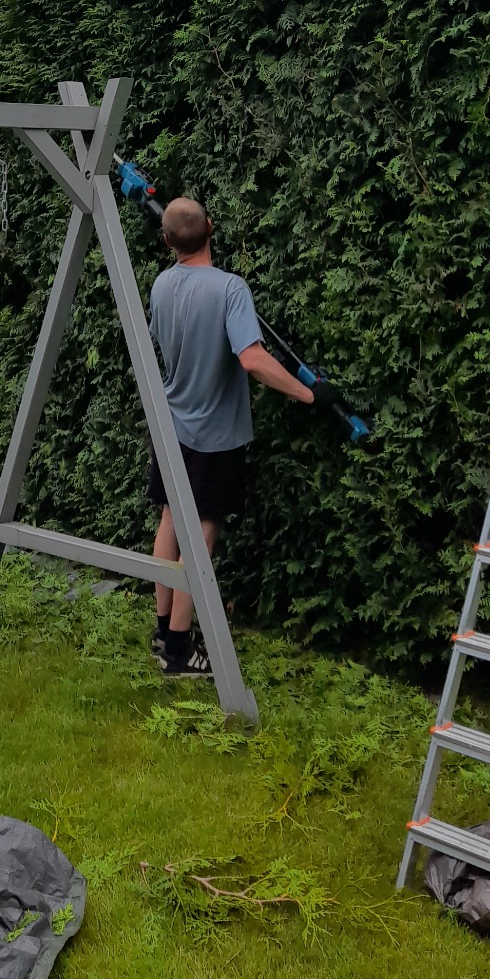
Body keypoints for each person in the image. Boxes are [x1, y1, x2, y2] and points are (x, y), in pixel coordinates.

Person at [148, 196, 319, 677]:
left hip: (171, 426)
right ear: (211, 227)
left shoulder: (161, 285)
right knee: (200, 537)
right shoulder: (230, 288)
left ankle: (163, 632)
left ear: (167, 241)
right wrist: (308, 393)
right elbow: (252, 358)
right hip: (214, 436)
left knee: (169, 520)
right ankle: (179, 651)